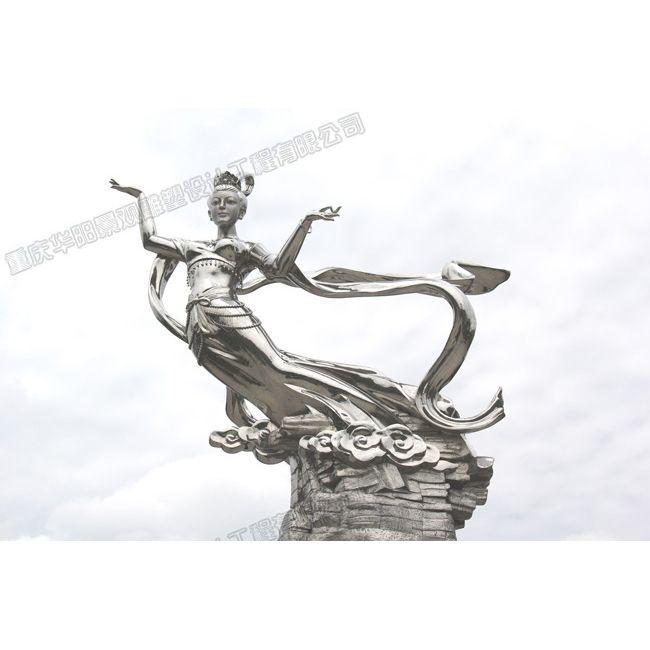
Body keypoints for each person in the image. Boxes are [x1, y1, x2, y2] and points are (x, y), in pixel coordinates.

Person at [110, 171, 508, 435]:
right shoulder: (191, 247)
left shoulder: (244, 248)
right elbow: (149, 240)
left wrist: (304, 225)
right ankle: (307, 418)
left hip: (227, 313)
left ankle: (377, 405)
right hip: (199, 328)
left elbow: (280, 268)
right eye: (216, 202)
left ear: (241, 209)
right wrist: (141, 197)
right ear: (208, 208)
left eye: (229, 201)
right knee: (250, 382)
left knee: (281, 367)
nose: (221, 207)